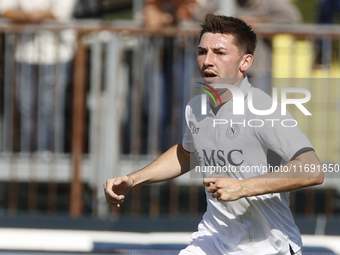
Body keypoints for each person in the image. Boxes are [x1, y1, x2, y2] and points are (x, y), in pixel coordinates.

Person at [104, 14, 323, 255]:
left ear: (245, 62)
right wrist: (134, 179)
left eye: (219, 53)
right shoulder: (196, 107)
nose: (207, 60)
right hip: (214, 239)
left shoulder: (263, 109)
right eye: (202, 51)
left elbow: (312, 169)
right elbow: (187, 155)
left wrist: (242, 187)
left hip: (268, 247)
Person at [0, 0, 77, 153]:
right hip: (25, 54)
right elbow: (4, 9)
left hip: (57, 56)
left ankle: (50, 156)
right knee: (26, 107)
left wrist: (26, 16)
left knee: (51, 109)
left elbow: (60, 13)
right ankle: (31, 155)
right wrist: (33, 16)